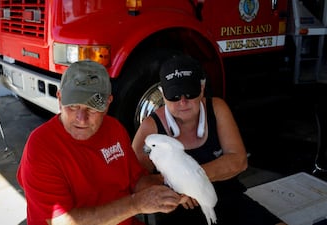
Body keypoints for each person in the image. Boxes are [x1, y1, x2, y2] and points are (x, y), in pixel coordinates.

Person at [17, 60, 184, 225]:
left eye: (91, 108)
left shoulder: (114, 129)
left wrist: (177, 187)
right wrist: (136, 204)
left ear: (108, 104)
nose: (81, 119)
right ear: (59, 99)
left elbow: (136, 180)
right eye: (73, 106)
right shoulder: (41, 147)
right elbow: (64, 221)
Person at [132, 55, 287, 225]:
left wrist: (193, 181)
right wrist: (179, 189)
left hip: (228, 197)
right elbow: (137, 183)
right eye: (174, 95)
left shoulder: (217, 108)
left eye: (190, 93)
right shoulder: (150, 127)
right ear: (162, 94)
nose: (183, 102)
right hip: (180, 207)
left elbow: (239, 160)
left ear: (202, 88)